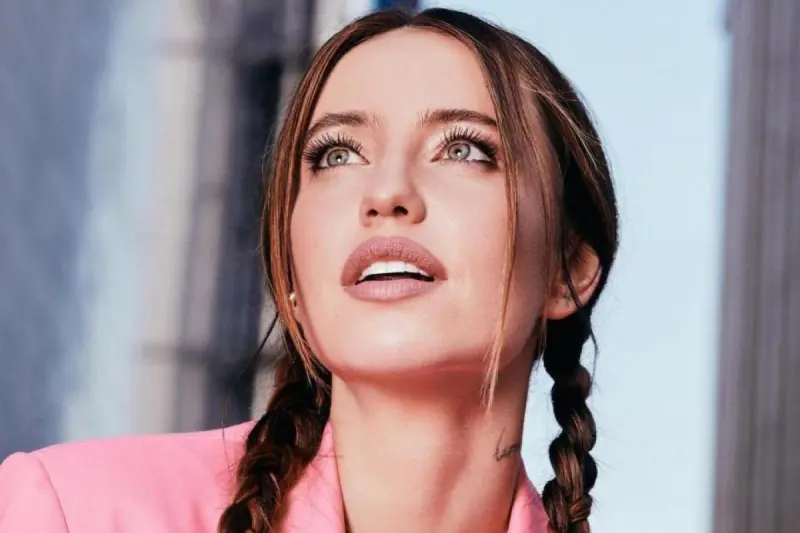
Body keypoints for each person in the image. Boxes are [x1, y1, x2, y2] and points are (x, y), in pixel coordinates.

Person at [0, 7, 618, 533]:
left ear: (568, 266)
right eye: (337, 154)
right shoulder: (71, 510)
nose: (386, 192)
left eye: (462, 149)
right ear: (292, 279)